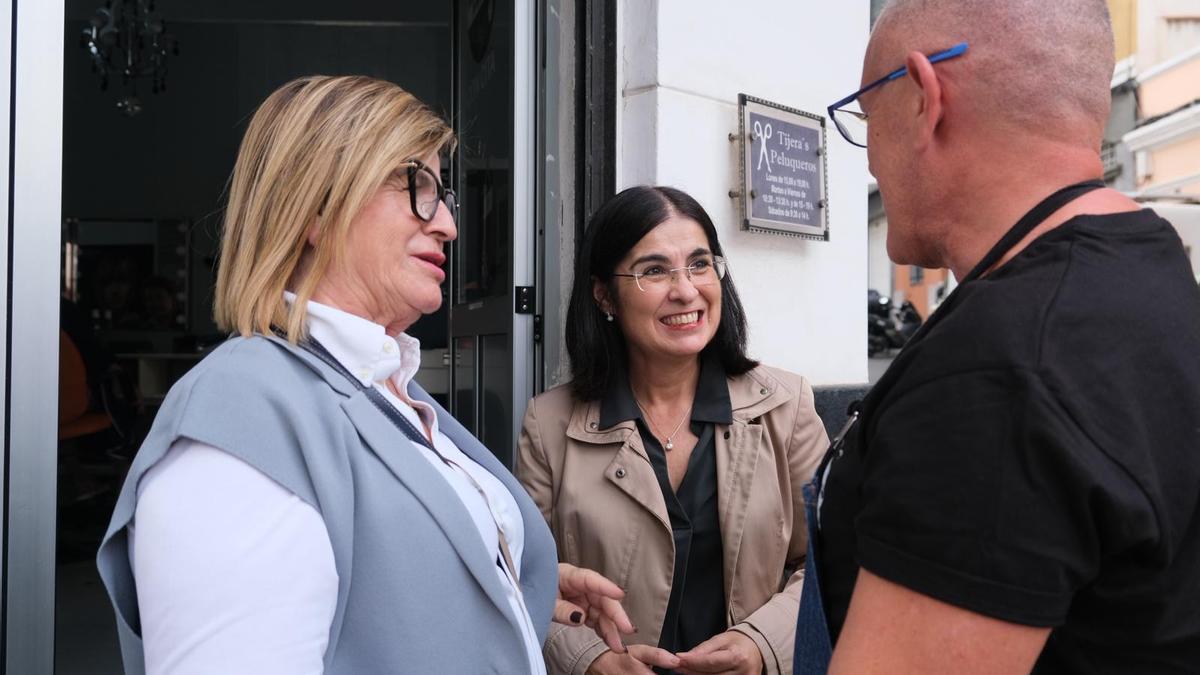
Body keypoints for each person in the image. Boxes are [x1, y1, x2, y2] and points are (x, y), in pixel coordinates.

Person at [97, 75, 632, 674]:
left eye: (443, 193)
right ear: (317, 205)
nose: (448, 225)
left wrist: (493, 579)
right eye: (416, 186)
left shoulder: (377, 385)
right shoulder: (237, 425)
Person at [804, 1, 1200, 672]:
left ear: (926, 96)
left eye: (866, 117)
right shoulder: (1159, 274)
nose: (868, 160)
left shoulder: (998, 373)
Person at [518, 185, 829, 675]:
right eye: (654, 270)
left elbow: (828, 562)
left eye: (701, 264)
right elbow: (523, 575)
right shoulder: (549, 424)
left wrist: (761, 645)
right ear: (604, 295)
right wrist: (590, 658)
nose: (686, 290)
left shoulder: (786, 407)